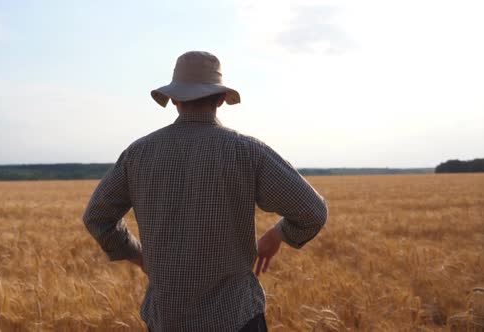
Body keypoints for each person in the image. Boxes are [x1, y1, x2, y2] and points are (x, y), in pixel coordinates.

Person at [83, 51, 328, 332]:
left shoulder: (138, 153)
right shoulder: (247, 152)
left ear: (174, 99)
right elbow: (313, 212)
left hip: (166, 319)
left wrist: (139, 256)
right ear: (222, 98)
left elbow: (97, 218)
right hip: (236, 317)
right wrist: (278, 235)